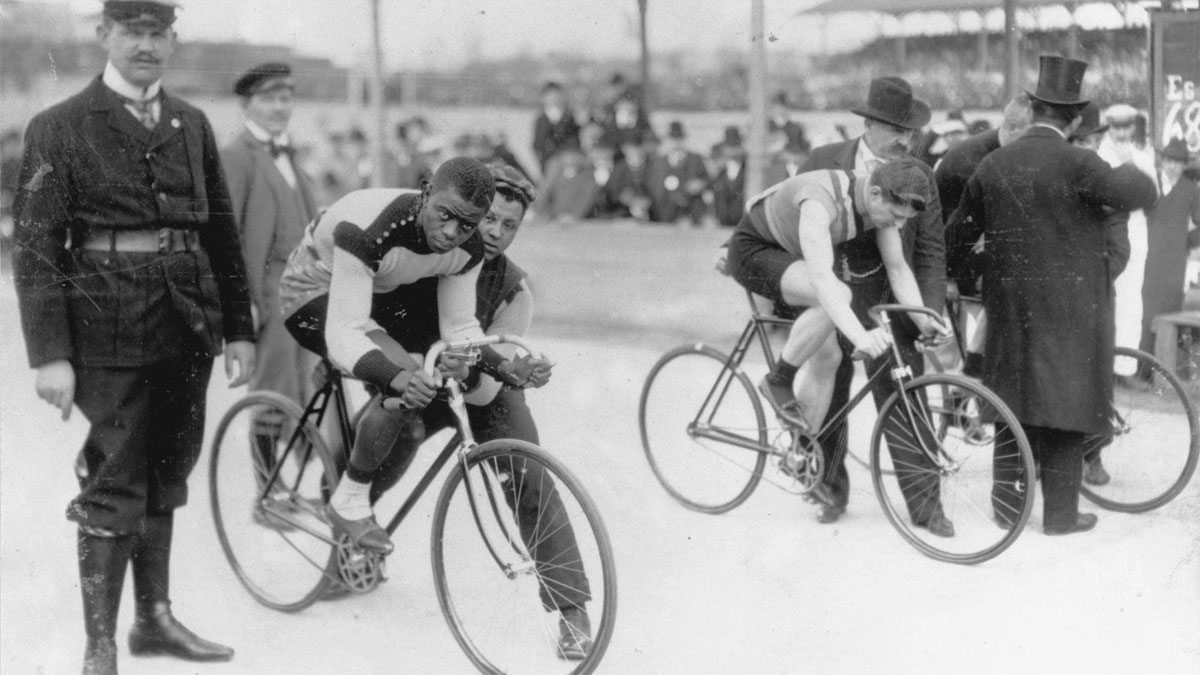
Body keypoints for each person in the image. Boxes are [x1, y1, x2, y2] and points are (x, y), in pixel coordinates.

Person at [10, 2, 256, 672]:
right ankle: (100, 644)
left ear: (172, 40)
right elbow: (35, 250)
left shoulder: (192, 124)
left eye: (158, 33)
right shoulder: (59, 128)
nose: (146, 45)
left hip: (187, 324)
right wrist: (51, 353)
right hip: (106, 328)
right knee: (117, 476)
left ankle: (153, 619)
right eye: (133, 31)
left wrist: (239, 328)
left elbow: (221, 234)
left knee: (167, 471)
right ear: (104, 36)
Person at [349, 166, 593, 661]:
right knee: (399, 427)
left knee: (529, 470)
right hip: (422, 371)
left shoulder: (514, 289)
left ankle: (571, 611)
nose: (495, 233)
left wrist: (503, 372)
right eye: (489, 219)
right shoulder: (428, 254)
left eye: (509, 225)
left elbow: (486, 388)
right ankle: (352, 522)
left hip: (481, 385)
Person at [947, 55, 1158, 535]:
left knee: (1011, 398)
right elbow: (1138, 191)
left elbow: (956, 237)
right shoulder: (1083, 162)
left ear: (1035, 107)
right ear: (1077, 118)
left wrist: (982, 274)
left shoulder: (994, 164)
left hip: (1009, 305)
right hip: (1072, 308)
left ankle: (1007, 507)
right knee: (1068, 399)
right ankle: (1061, 515)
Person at [279, 156, 496, 554]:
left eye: (467, 224)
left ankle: (352, 493)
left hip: (371, 293)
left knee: (409, 421)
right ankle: (347, 501)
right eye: (444, 215)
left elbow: (460, 326)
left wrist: (502, 362)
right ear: (426, 191)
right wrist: (396, 377)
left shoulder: (470, 248)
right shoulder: (371, 225)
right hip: (309, 294)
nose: (451, 233)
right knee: (403, 379)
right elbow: (345, 332)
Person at [793, 76, 950, 529]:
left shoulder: (920, 173)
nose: (907, 139)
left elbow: (930, 252)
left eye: (912, 131)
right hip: (835, 300)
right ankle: (828, 491)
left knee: (905, 399)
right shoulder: (823, 161)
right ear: (870, 125)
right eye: (898, 129)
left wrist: (926, 314)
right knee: (831, 392)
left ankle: (926, 506)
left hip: (892, 303)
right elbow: (787, 216)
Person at [221, 62, 324, 518]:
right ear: (247, 104)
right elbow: (227, 236)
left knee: (305, 388)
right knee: (272, 390)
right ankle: (266, 493)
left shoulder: (289, 156)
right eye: (269, 98)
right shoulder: (237, 156)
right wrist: (242, 302)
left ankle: (295, 484)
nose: (281, 107)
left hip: (304, 290)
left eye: (286, 98)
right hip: (268, 293)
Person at [1100, 103, 1159, 388]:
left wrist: (1133, 163)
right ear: (1109, 127)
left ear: (1133, 127)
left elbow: (1153, 193)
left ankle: (1125, 369)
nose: (1122, 132)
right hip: (1109, 235)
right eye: (1116, 127)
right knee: (1106, 299)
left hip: (1136, 234)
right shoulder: (1099, 154)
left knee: (1131, 302)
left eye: (1126, 127)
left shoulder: (1142, 155)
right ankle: (1104, 368)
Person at [1142, 138, 1200, 365]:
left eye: (1178, 162)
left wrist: (1185, 242)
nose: (1172, 166)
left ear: (1185, 165)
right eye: (1169, 160)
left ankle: (1164, 367)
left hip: (1174, 260)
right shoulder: (1151, 183)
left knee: (1169, 309)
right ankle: (1141, 366)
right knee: (1145, 309)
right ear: (1162, 161)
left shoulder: (1190, 189)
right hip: (1148, 255)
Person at [647, 120, 708, 225]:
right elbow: (653, 189)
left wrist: (701, 184)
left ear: (684, 140)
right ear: (668, 140)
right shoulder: (658, 163)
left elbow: (708, 181)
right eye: (673, 139)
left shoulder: (696, 159)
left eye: (679, 139)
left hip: (691, 213)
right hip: (664, 214)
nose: (676, 143)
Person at [532, 81, 581, 175]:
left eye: (556, 96)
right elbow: (537, 144)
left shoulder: (569, 118)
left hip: (568, 160)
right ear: (543, 98)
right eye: (549, 96)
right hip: (547, 162)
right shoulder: (541, 120)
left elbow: (574, 141)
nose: (553, 100)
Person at [710, 126, 747, 228]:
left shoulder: (747, 167)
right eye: (729, 147)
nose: (733, 151)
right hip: (722, 221)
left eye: (735, 146)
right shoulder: (720, 168)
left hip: (742, 221)